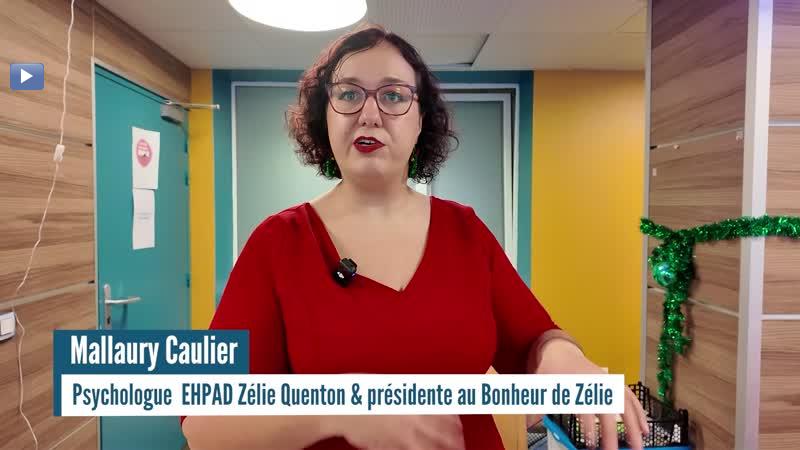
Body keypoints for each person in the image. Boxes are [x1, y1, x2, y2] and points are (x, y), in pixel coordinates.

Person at [181, 24, 648, 450]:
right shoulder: (277, 243)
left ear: (421, 119)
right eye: (348, 94)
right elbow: (203, 425)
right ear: (326, 116)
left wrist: (564, 358)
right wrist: (340, 413)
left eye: (393, 96)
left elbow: (534, 340)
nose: (369, 113)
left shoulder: (465, 231)